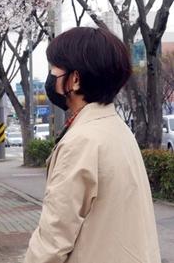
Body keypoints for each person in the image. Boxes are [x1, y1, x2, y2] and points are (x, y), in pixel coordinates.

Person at [24, 27, 161, 263]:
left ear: (75, 79)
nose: (50, 77)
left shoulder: (81, 141)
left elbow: (53, 240)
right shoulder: (117, 130)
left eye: (54, 69)